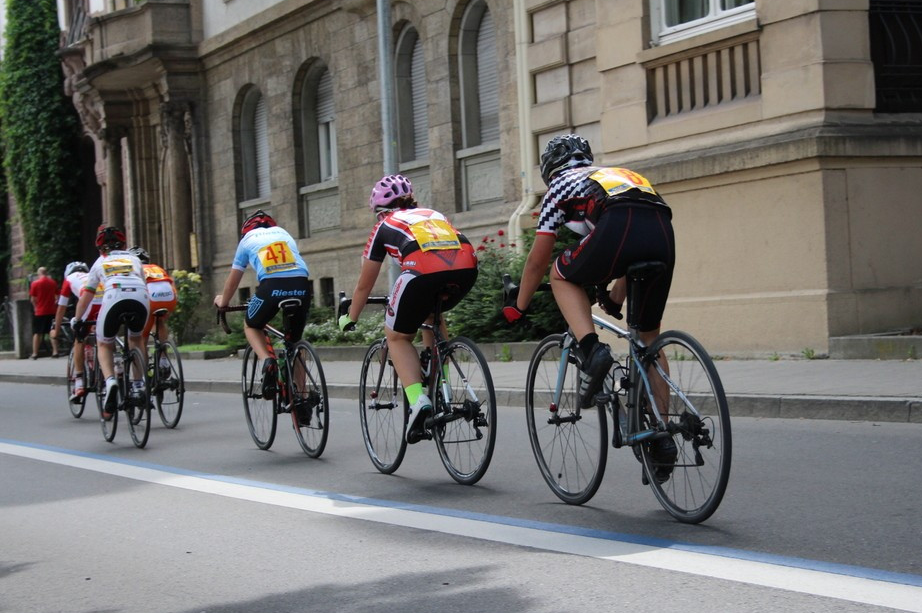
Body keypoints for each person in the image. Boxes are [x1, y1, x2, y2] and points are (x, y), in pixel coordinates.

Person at [503, 133, 676, 409]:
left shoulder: (559, 185)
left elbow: (537, 260)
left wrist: (519, 305)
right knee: (648, 339)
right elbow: (634, 239)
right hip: (662, 231)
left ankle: (592, 349)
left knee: (559, 274)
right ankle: (663, 434)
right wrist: (614, 298)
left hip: (618, 220)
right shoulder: (615, 173)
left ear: (550, 169)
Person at [339, 175, 478, 443]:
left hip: (422, 271)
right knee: (432, 315)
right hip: (467, 267)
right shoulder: (433, 214)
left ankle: (419, 401)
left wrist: (349, 317)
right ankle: (441, 382)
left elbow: (363, 286)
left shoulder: (383, 225)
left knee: (397, 337)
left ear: (380, 211)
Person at [213, 210, 312, 401]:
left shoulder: (246, 240)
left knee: (251, 325)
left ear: (246, 230)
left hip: (272, 287)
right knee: (294, 342)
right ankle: (303, 398)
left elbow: (233, 281)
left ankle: (266, 361)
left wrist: (222, 302)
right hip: (301, 284)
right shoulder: (284, 233)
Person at [72, 225, 150, 415]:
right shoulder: (133, 259)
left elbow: (87, 296)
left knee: (104, 344)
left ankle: (111, 381)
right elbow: (144, 283)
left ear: (100, 248)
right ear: (123, 244)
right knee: (136, 340)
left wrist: (77, 318)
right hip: (140, 297)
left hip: (114, 297)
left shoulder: (100, 262)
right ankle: (139, 385)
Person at [130, 246, 178, 378]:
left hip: (151, 297)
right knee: (160, 320)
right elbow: (171, 282)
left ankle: (144, 373)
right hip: (169, 297)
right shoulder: (157, 267)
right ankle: (163, 359)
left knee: (141, 338)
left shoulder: (134, 269)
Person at [52, 261, 91, 400]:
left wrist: (56, 331)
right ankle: (116, 369)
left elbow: (61, 308)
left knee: (79, 339)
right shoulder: (92, 275)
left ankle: (79, 381)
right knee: (105, 337)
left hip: (89, 302)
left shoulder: (69, 280)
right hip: (107, 299)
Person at [28, 267, 60, 359]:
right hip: (51, 310)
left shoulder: (35, 283)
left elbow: (33, 298)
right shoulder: (52, 282)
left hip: (40, 311)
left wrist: (35, 307)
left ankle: (35, 353)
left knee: (37, 333)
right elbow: (58, 295)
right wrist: (55, 302)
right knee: (52, 331)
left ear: (39, 274)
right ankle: (55, 351)